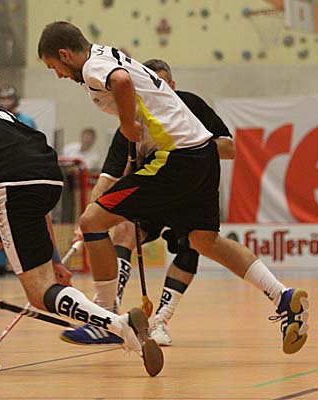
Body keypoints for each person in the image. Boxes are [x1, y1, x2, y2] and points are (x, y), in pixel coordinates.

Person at [38, 22, 310, 355]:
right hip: (202, 154)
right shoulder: (107, 55)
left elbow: (121, 82)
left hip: (175, 157)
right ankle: (282, 296)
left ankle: (103, 320)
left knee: (92, 222)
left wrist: (127, 123)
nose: (59, 75)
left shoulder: (94, 67)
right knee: (204, 240)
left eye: (54, 67)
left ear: (64, 54)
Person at [0, 76, 163, 375]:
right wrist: (53, 258)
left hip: (14, 185)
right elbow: (34, 204)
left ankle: (118, 324)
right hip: (47, 178)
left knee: (40, 293)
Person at [61, 58, 236, 347]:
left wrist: (189, 145)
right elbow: (108, 176)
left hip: (186, 185)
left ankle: (161, 321)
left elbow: (229, 148)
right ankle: (110, 313)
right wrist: (88, 219)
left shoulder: (192, 105)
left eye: (164, 86)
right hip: (153, 192)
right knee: (124, 231)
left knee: (192, 243)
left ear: (172, 87)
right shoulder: (133, 118)